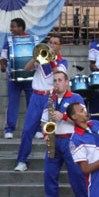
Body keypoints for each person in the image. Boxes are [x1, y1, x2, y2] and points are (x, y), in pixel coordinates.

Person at [14, 33, 66, 173]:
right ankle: (22, 160)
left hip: (51, 98)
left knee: (52, 131)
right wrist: (36, 57)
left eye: (55, 43)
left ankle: (56, 160)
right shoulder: (41, 58)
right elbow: (26, 69)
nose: (52, 45)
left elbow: (59, 76)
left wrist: (51, 61)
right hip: (36, 96)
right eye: (51, 42)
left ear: (60, 46)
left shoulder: (62, 61)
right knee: (27, 130)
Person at [41, 70, 89, 197]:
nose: (57, 83)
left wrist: (63, 116)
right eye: (55, 80)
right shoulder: (50, 98)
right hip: (54, 139)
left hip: (71, 140)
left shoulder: (76, 98)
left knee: (77, 174)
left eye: (60, 80)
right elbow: (44, 121)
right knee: (49, 174)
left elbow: (84, 121)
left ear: (67, 82)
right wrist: (45, 134)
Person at [0, 18, 33, 139]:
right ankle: (9, 129)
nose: (11, 29)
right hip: (13, 77)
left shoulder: (31, 39)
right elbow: (3, 57)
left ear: (21, 27)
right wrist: (3, 65)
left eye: (13, 26)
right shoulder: (8, 40)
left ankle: (36, 129)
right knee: (12, 103)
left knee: (32, 104)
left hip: (30, 78)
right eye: (11, 26)